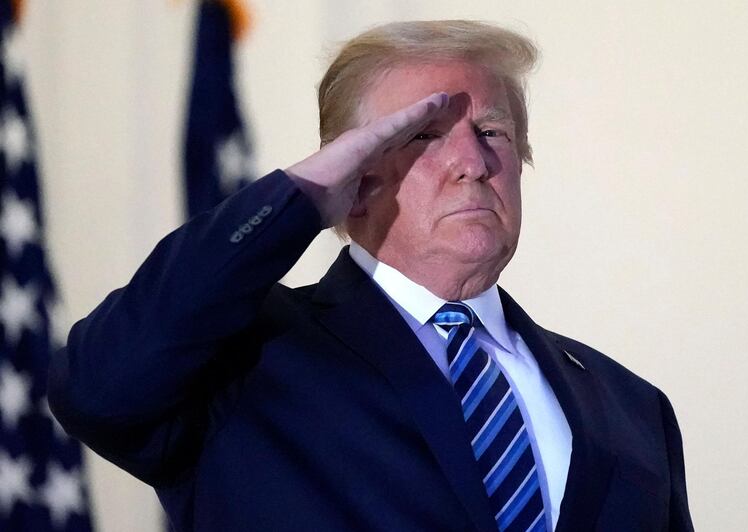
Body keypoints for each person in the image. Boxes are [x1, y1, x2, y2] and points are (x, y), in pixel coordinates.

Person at [48, 20, 693, 532]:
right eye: (423, 135)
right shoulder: (241, 362)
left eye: (492, 130)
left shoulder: (632, 407)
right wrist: (295, 200)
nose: (472, 160)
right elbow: (98, 389)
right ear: (350, 176)